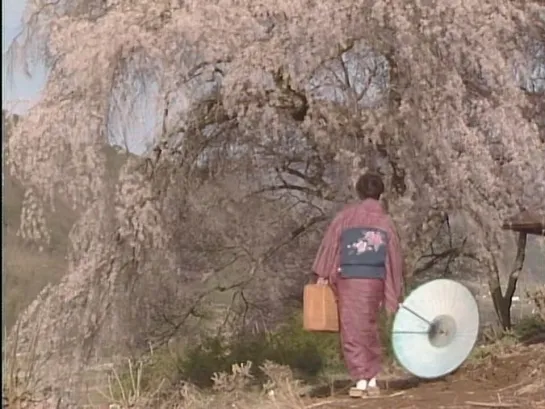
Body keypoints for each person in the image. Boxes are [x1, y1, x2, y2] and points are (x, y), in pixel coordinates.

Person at [312, 172, 404, 397]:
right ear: (380, 193)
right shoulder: (385, 222)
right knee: (369, 325)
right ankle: (371, 378)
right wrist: (393, 287)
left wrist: (323, 274)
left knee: (351, 327)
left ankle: (361, 379)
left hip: (350, 278)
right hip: (374, 280)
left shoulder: (345, 217)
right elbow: (393, 257)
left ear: (359, 192)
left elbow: (331, 246)